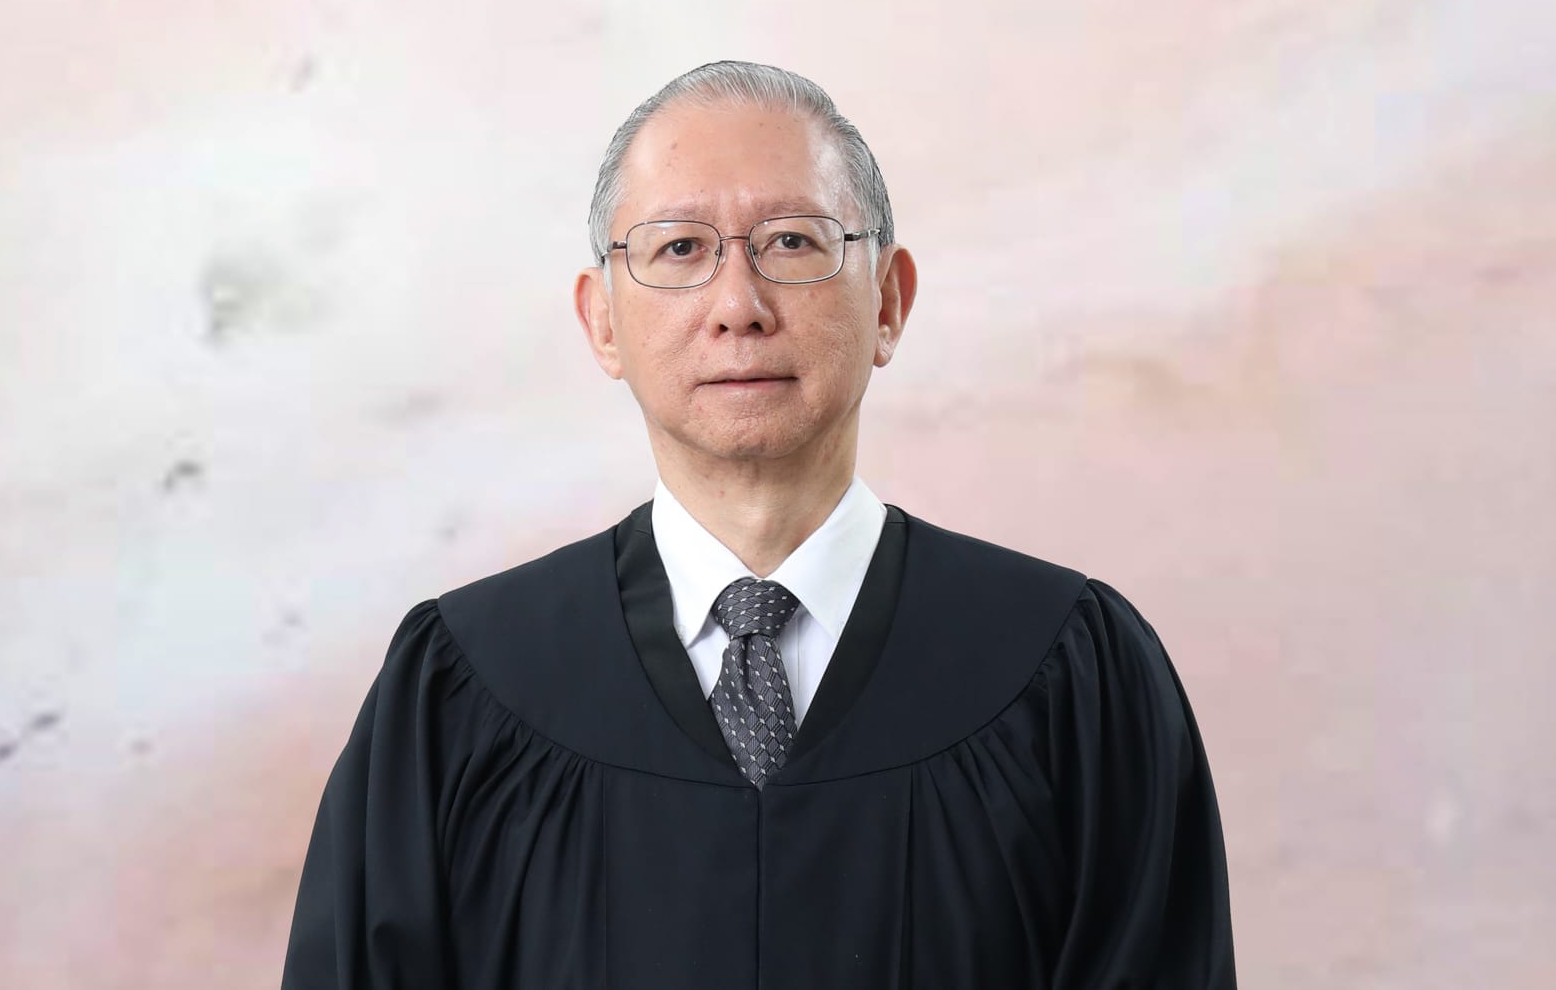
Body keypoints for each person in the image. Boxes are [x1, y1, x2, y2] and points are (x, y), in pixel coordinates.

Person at [281, 60, 1237, 989]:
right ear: (603, 322)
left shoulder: (1067, 671)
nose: (738, 307)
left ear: (890, 303)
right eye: (679, 249)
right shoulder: (462, 687)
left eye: (792, 242)